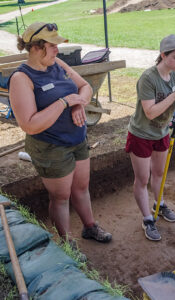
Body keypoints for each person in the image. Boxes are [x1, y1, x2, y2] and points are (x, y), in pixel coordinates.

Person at [8, 22, 112, 249]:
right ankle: (67, 244)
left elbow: (85, 86)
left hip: (77, 139)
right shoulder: (21, 78)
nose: (57, 49)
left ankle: (90, 226)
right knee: (61, 197)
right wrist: (64, 102)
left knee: (81, 187)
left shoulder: (58, 63)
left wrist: (78, 105)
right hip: (50, 146)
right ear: (36, 47)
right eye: (52, 45)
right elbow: (30, 125)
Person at [125, 34, 175, 241]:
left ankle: (158, 204)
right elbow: (150, 112)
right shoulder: (148, 78)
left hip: (162, 133)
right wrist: (173, 96)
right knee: (142, 179)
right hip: (141, 134)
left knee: (159, 173)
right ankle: (147, 219)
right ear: (163, 55)